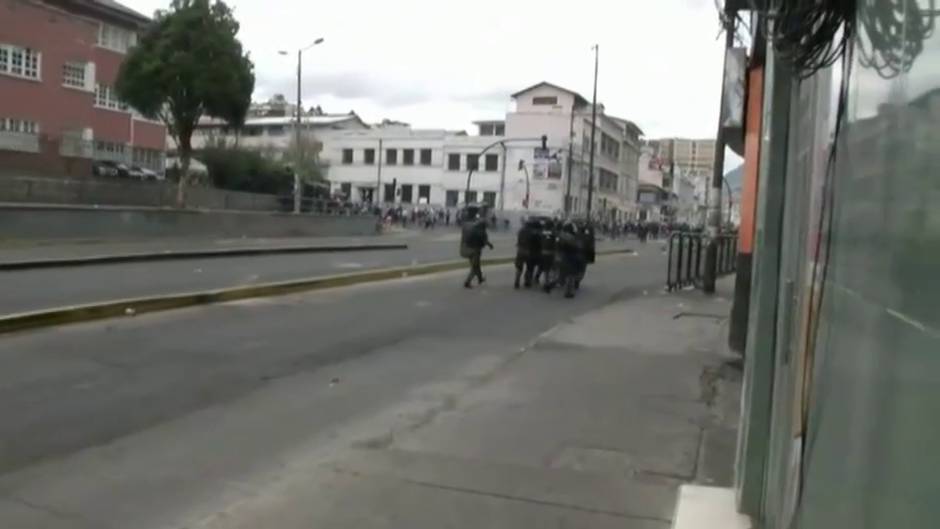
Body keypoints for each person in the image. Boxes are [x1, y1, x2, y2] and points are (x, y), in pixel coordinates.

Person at [545, 221, 583, 298]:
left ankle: (550, 285)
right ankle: (569, 292)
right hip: (569, 258)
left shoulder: (560, 235)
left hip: (559, 257)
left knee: (561, 276)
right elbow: (578, 247)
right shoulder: (571, 237)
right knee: (570, 275)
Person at [460, 210, 493, 288]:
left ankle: (480, 279)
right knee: (474, 268)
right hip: (475, 251)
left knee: (476, 265)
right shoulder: (482, 232)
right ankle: (467, 282)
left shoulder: (472, 229)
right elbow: (485, 242)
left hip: (468, 249)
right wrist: (490, 245)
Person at [513, 218, 542, 289]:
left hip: (520, 250)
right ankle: (527, 281)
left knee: (519, 267)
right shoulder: (534, 232)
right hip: (530, 251)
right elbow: (538, 243)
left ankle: (517, 280)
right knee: (530, 267)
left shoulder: (521, 230)